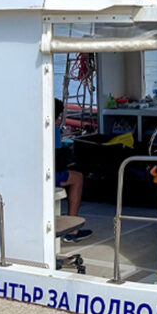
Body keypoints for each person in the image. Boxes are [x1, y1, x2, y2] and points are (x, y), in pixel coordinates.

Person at [54, 99, 92, 243]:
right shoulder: (54, 130)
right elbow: (57, 159)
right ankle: (73, 229)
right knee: (78, 178)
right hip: (50, 175)